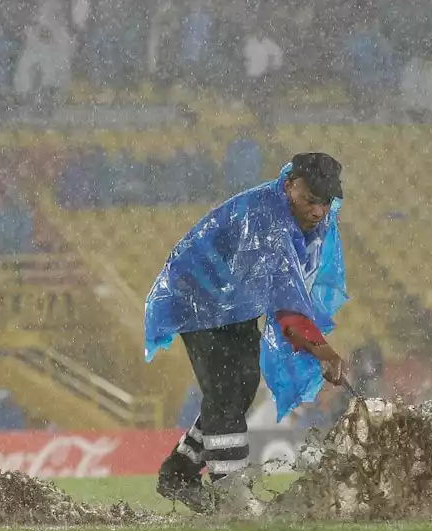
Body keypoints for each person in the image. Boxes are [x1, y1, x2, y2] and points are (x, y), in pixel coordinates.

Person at [145, 152, 348, 512]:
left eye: (326, 202)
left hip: (235, 300)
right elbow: (287, 306)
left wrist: (316, 344)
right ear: (289, 187)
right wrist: (322, 350)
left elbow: (291, 293)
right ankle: (231, 495)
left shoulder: (311, 221)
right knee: (225, 390)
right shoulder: (267, 219)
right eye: (311, 200)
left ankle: (180, 470)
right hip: (195, 296)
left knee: (242, 385)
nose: (318, 211)